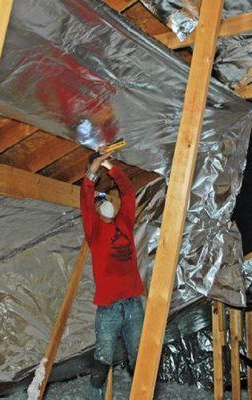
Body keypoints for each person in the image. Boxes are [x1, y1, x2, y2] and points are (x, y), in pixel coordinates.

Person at [80, 151, 145, 399]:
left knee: (140, 358)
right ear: (96, 210)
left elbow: (128, 192)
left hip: (133, 304)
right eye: (99, 201)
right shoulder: (94, 232)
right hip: (108, 308)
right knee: (102, 361)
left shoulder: (125, 221)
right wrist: (92, 171)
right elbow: (85, 197)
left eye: (105, 199)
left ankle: (142, 394)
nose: (102, 202)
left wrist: (110, 166)